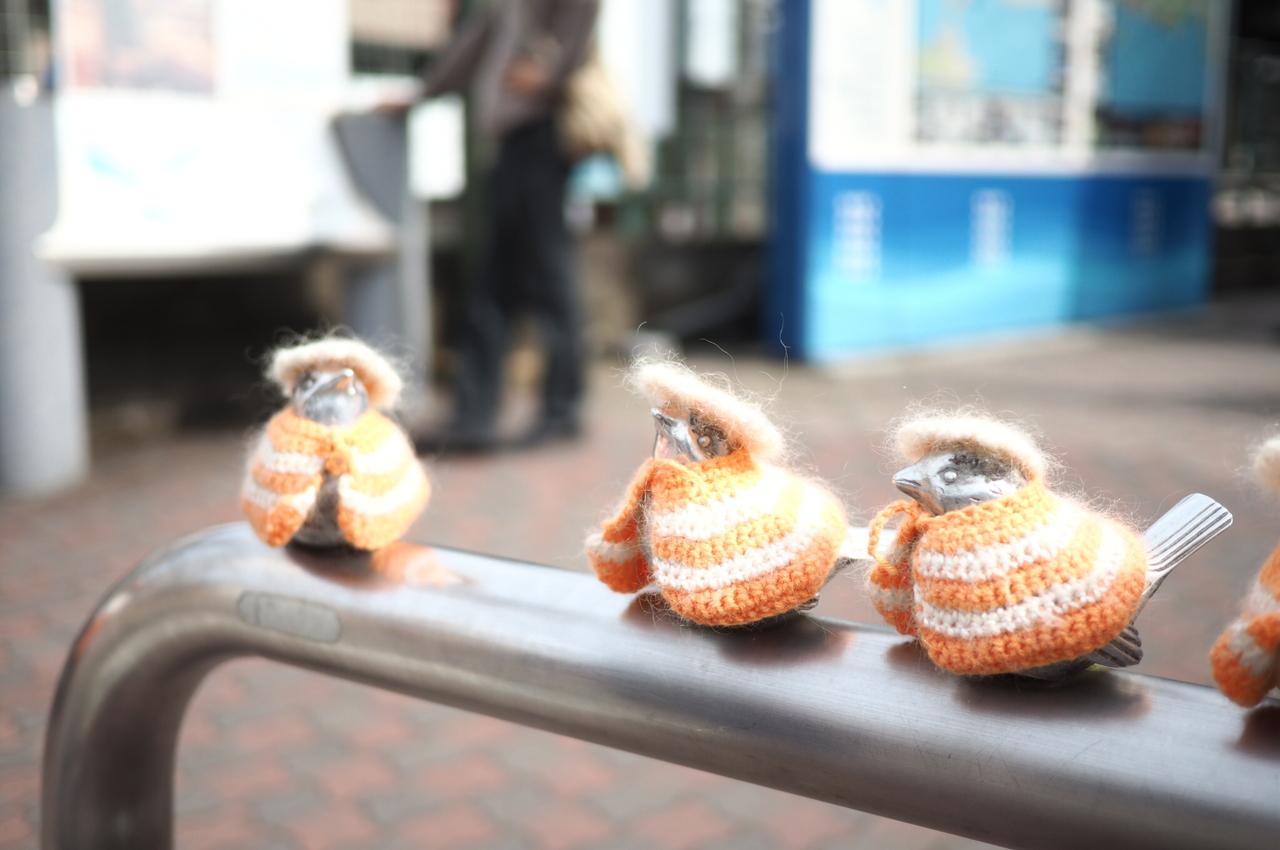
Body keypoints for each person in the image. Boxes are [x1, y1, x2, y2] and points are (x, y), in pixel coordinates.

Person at [405, 0, 600, 452]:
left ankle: (561, 410)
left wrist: (552, 75)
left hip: (541, 137)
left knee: (548, 278)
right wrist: (420, 94)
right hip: (512, 145)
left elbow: (579, 23)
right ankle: (474, 415)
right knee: (492, 284)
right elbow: (472, 45)